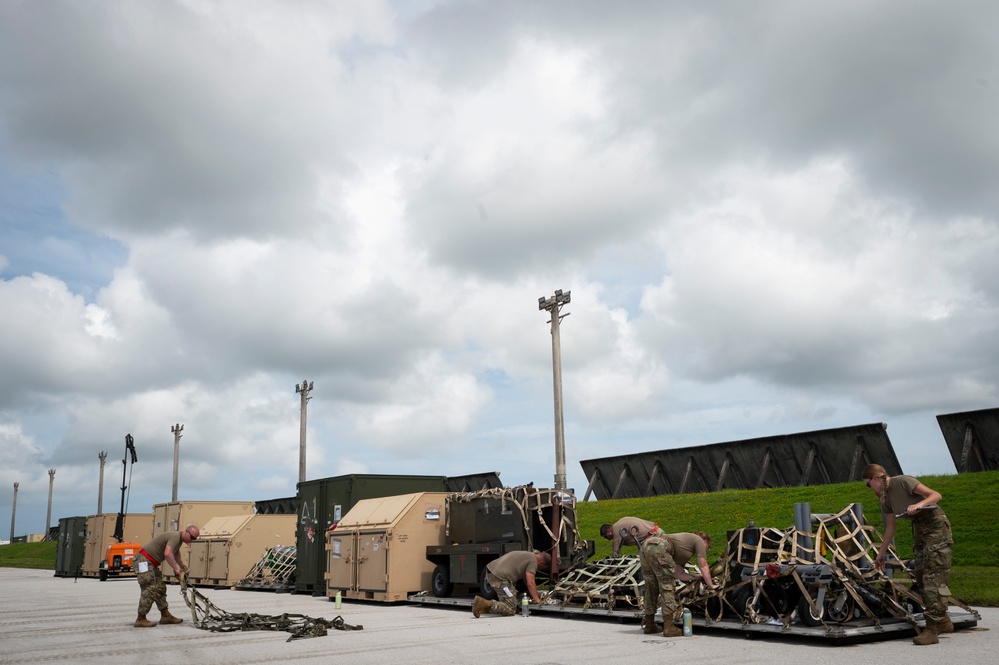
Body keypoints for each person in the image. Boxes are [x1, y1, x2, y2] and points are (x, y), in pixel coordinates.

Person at [862, 463, 953, 645]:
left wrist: (919, 504)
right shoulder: (885, 499)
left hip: (935, 525)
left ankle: (932, 629)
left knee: (932, 575)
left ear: (875, 478)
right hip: (919, 528)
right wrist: (881, 553)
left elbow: (936, 495)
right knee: (919, 575)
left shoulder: (903, 481)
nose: (869, 488)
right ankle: (942, 620)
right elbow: (890, 527)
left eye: (868, 484)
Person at [640, 531, 718, 637]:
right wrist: (711, 585)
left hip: (646, 545)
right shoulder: (698, 540)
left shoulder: (684, 548)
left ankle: (649, 625)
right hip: (660, 546)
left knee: (651, 586)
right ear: (706, 541)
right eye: (709, 546)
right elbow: (703, 565)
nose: (707, 549)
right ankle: (669, 627)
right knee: (667, 585)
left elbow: (678, 574)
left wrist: (695, 577)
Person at [132, 524, 200, 627]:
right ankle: (140, 619)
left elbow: (175, 553)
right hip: (143, 561)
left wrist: (182, 565)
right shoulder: (175, 537)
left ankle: (165, 616)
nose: (193, 540)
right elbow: (168, 554)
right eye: (192, 537)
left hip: (150, 563)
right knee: (150, 589)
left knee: (160, 588)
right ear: (186, 532)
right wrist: (175, 568)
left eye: (195, 538)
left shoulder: (178, 540)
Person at [471, 550, 551, 618]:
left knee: (510, 599)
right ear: (542, 563)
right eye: (542, 567)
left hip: (492, 571)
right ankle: (483, 603)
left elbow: (526, 580)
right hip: (500, 578)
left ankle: (484, 606)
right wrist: (538, 600)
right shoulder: (533, 561)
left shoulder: (528, 555)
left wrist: (532, 594)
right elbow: (531, 582)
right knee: (511, 608)